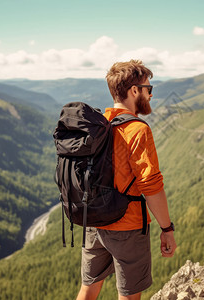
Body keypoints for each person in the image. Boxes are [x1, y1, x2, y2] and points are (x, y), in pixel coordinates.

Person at [76, 60, 177, 300]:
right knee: (129, 294)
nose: (150, 95)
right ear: (135, 91)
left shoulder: (98, 126)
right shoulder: (137, 130)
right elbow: (151, 186)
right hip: (127, 224)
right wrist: (167, 229)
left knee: (89, 288)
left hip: (93, 219)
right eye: (148, 89)